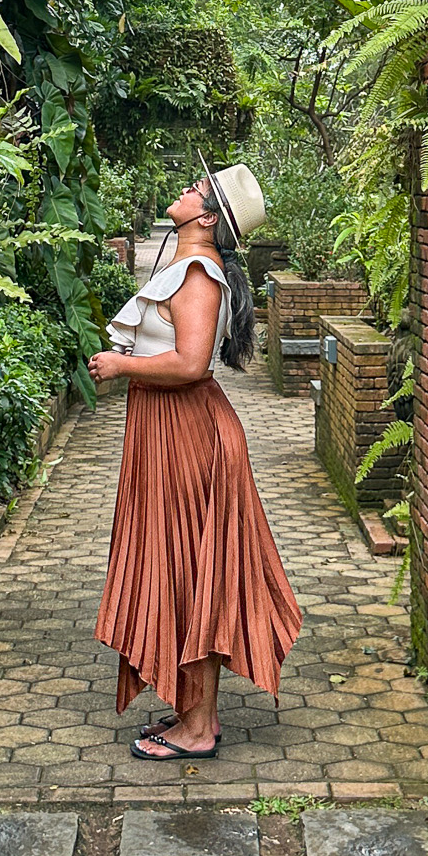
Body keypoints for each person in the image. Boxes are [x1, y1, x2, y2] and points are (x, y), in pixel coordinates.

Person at [88, 160, 302, 759]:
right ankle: (189, 709)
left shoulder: (201, 278)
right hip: (168, 436)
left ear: (207, 219)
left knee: (194, 572)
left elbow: (191, 365)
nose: (185, 188)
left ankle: (200, 728)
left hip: (190, 441)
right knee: (177, 565)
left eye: (197, 190)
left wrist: (122, 366)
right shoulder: (183, 268)